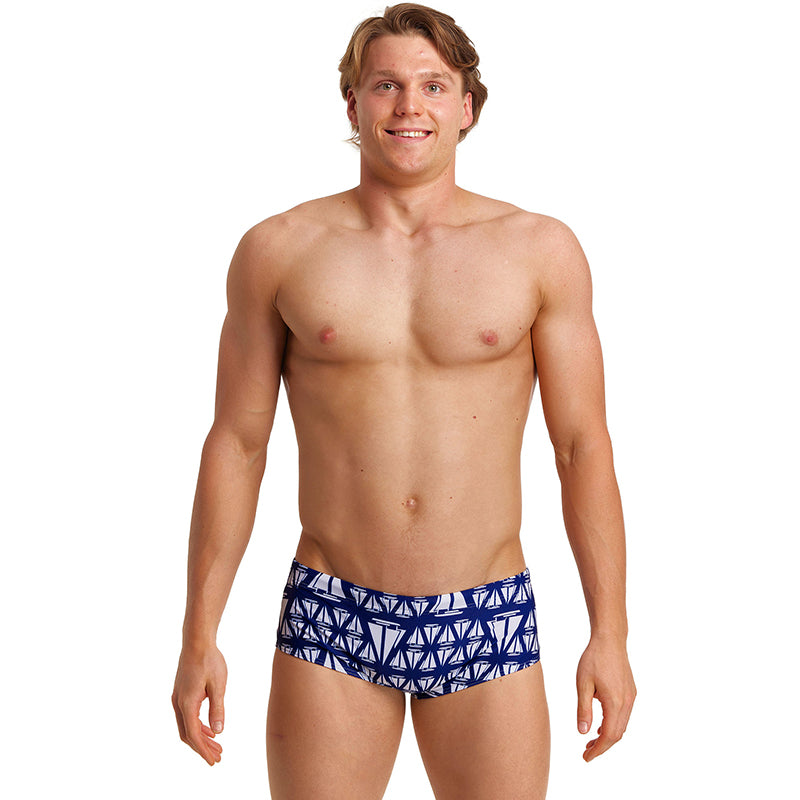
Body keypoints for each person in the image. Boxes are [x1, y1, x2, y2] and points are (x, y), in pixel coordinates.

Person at [171, 4, 636, 797]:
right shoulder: (279, 250)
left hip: (484, 609)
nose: (409, 105)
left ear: (468, 106)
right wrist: (198, 636)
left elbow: (581, 446)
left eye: (433, 85)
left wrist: (611, 635)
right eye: (385, 85)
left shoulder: (539, 250)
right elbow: (238, 445)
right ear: (352, 103)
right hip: (334, 612)